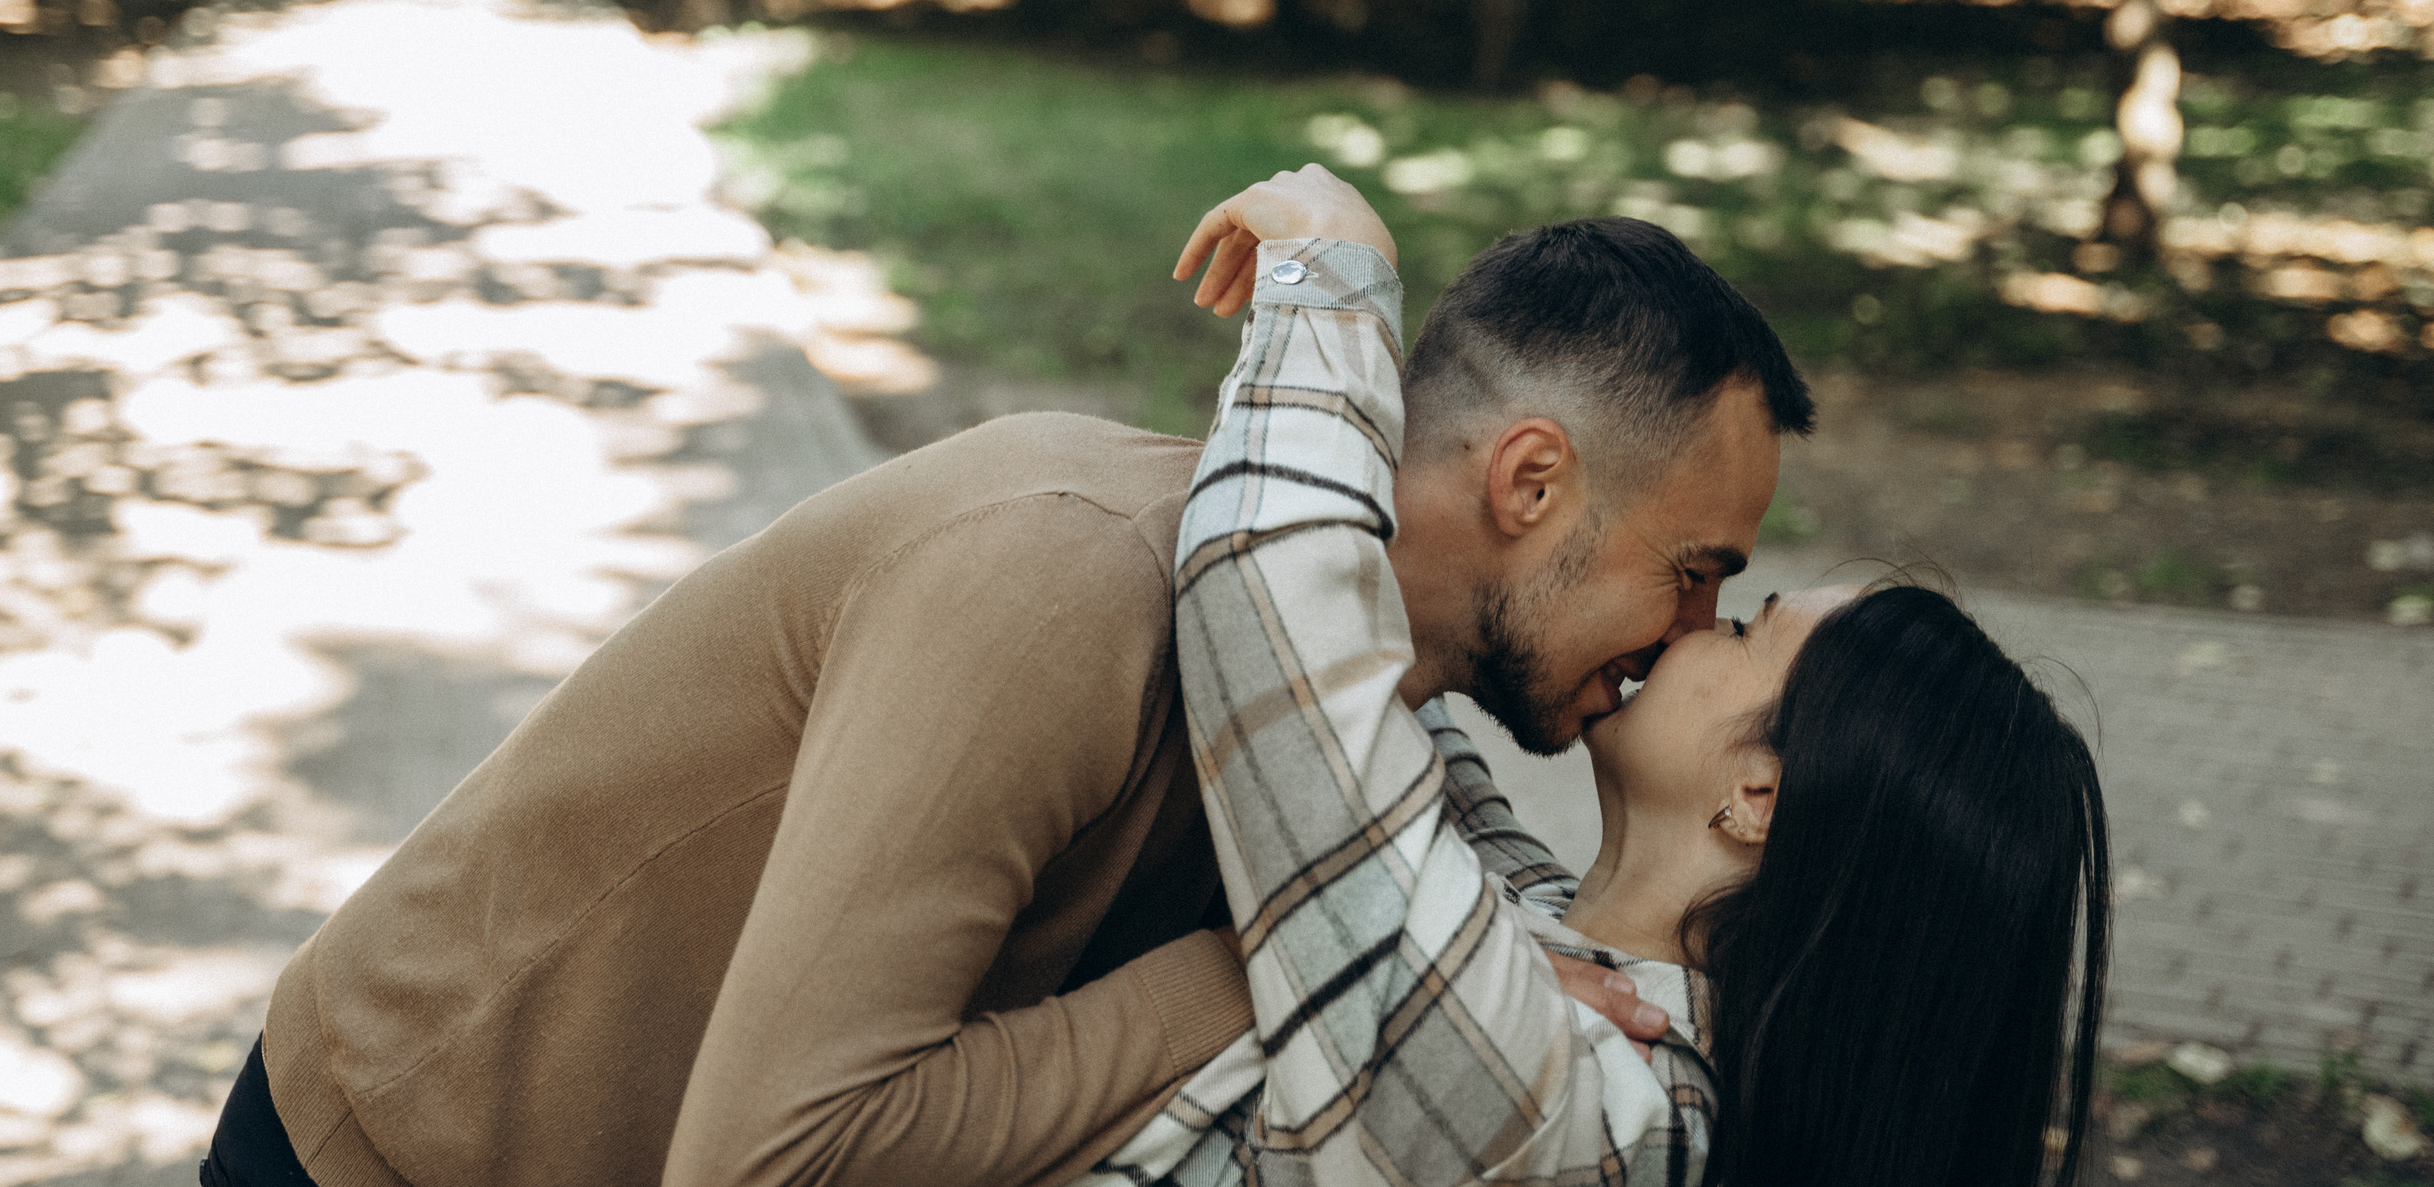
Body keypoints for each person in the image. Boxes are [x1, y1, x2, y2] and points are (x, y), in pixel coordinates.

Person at [199, 179, 1810, 1187]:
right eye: (1696, 575)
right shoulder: (1065, 578)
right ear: (1531, 485)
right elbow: (779, 1157)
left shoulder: (1365, 712)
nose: (1686, 640)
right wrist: (1277, 967)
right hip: (402, 1154)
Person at [1093, 170, 2111, 1187]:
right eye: (1697, 580)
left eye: (1741, 624)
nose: (1686, 627)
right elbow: (1371, 689)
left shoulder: (1609, 1110)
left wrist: (1335, 279)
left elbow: (1286, 658)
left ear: (1759, 792)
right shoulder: (1549, 927)